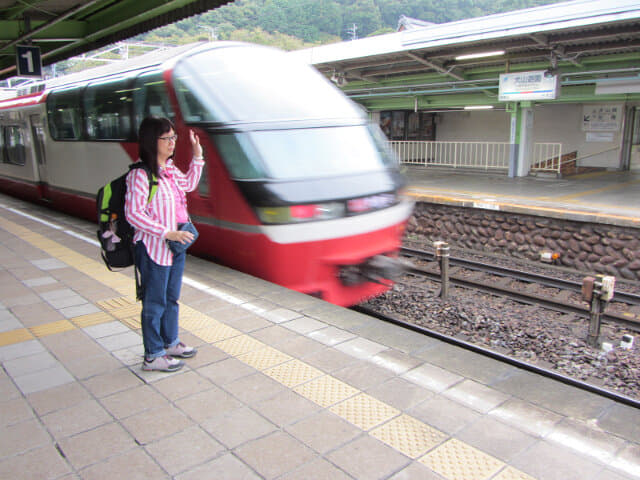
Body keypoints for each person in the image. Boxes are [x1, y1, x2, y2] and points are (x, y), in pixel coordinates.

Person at [125, 116, 204, 372]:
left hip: (176, 246)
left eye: (174, 138)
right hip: (154, 248)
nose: (172, 143)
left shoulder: (170, 170)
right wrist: (166, 232)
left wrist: (197, 155)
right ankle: (153, 355)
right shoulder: (140, 175)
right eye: (166, 138)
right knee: (154, 302)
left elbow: (190, 184)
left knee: (171, 298)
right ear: (152, 141)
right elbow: (133, 214)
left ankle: (170, 343)